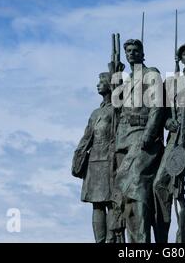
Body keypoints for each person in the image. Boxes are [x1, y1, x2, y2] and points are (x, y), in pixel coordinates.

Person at [114, 39, 165, 243]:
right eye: (129, 51)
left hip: (143, 135)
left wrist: (150, 133)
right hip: (124, 139)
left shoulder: (151, 73)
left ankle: (142, 241)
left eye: (136, 50)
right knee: (125, 192)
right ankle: (133, 241)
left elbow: (158, 106)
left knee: (137, 186)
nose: (132, 53)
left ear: (143, 53)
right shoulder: (126, 81)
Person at [153, 43, 185, 243]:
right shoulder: (170, 82)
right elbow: (162, 115)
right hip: (175, 141)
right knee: (160, 184)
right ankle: (161, 237)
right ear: (180, 58)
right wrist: (169, 122)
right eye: (184, 53)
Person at [72, 72, 122, 243]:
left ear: (110, 85)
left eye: (102, 81)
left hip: (110, 160)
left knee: (111, 203)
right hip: (94, 162)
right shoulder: (95, 113)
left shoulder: (117, 109)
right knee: (97, 205)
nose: (98, 84)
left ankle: (111, 239)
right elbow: (87, 137)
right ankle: (100, 241)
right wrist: (78, 158)